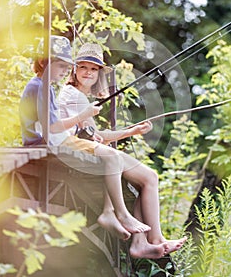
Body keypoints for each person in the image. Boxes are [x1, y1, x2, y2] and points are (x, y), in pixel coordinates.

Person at [58, 42, 187, 259]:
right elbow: (95, 136)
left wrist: (133, 130)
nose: (88, 73)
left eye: (94, 69)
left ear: (99, 73)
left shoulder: (80, 96)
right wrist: (118, 132)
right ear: (74, 69)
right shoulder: (74, 95)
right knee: (141, 173)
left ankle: (146, 242)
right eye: (83, 67)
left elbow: (96, 134)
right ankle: (149, 238)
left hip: (82, 145)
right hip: (70, 147)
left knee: (148, 178)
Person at [19, 35, 152, 240]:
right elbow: (52, 128)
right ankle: (120, 215)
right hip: (52, 142)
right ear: (45, 61)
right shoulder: (41, 87)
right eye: (62, 65)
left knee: (112, 156)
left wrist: (127, 131)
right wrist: (84, 115)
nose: (65, 71)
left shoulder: (43, 85)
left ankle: (114, 214)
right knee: (113, 158)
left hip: (56, 139)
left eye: (67, 66)